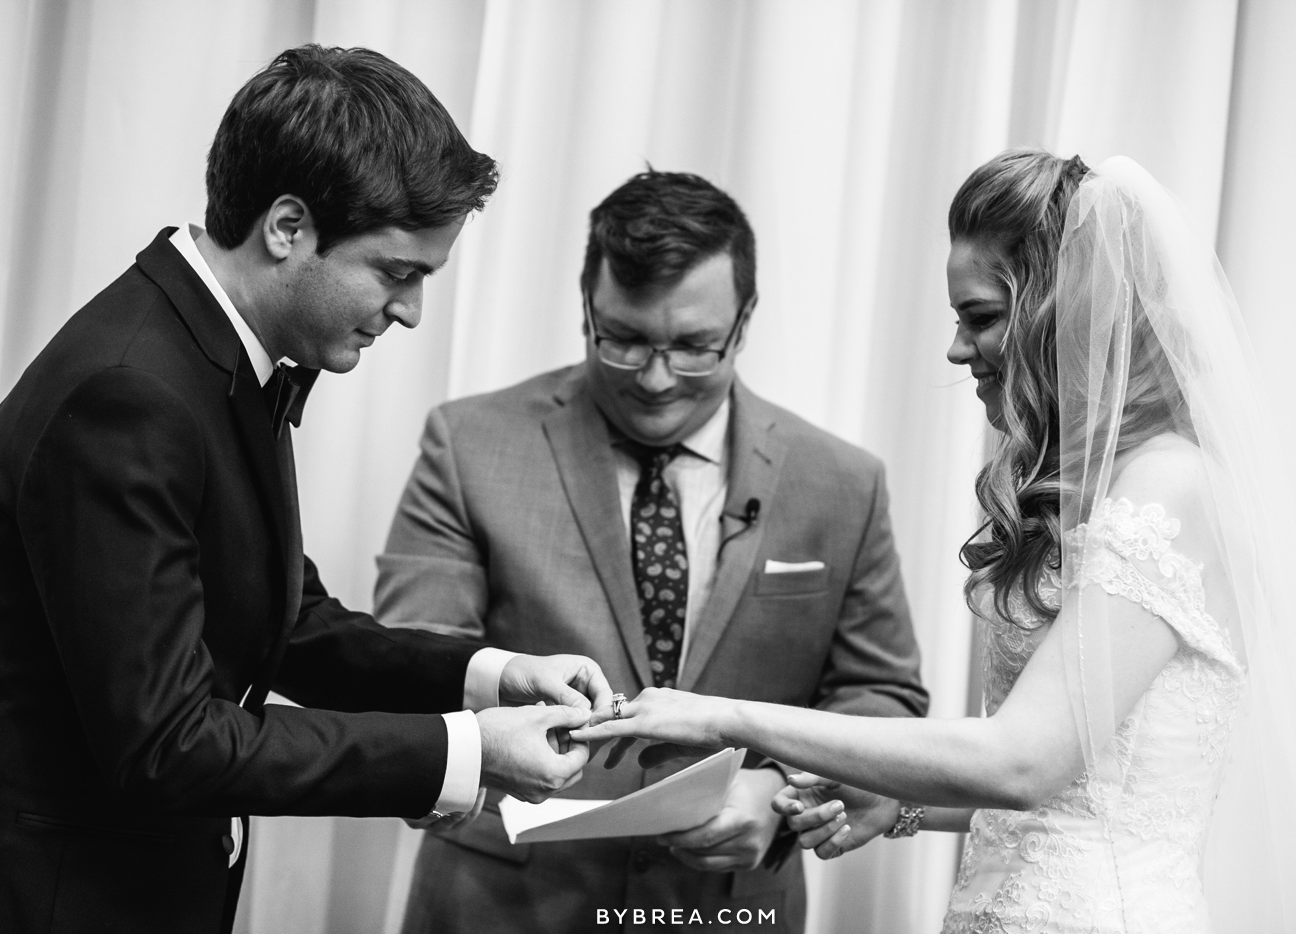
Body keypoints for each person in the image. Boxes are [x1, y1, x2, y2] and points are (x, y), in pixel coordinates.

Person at [576, 151, 1296, 932]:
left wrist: (729, 719)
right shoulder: (1090, 486)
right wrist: (901, 804)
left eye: (982, 318)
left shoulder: (1170, 486)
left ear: (1062, 314)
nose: (959, 348)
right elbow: (1075, 793)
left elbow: (1025, 761)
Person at [0, 46, 614, 934]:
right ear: (288, 227)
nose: (409, 312)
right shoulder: (127, 392)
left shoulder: (212, 351)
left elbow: (285, 622)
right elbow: (167, 745)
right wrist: (460, 753)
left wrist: (492, 678)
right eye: (398, 273)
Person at [375, 169, 928, 933]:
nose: (659, 380)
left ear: (745, 320)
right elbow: (412, 662)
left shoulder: (842, 483)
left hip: (730, 908)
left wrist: (780, 793)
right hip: (501, 904)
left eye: (696, 347)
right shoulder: (468, 444)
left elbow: (883, 697)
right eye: (626, 341)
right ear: (586, 312)